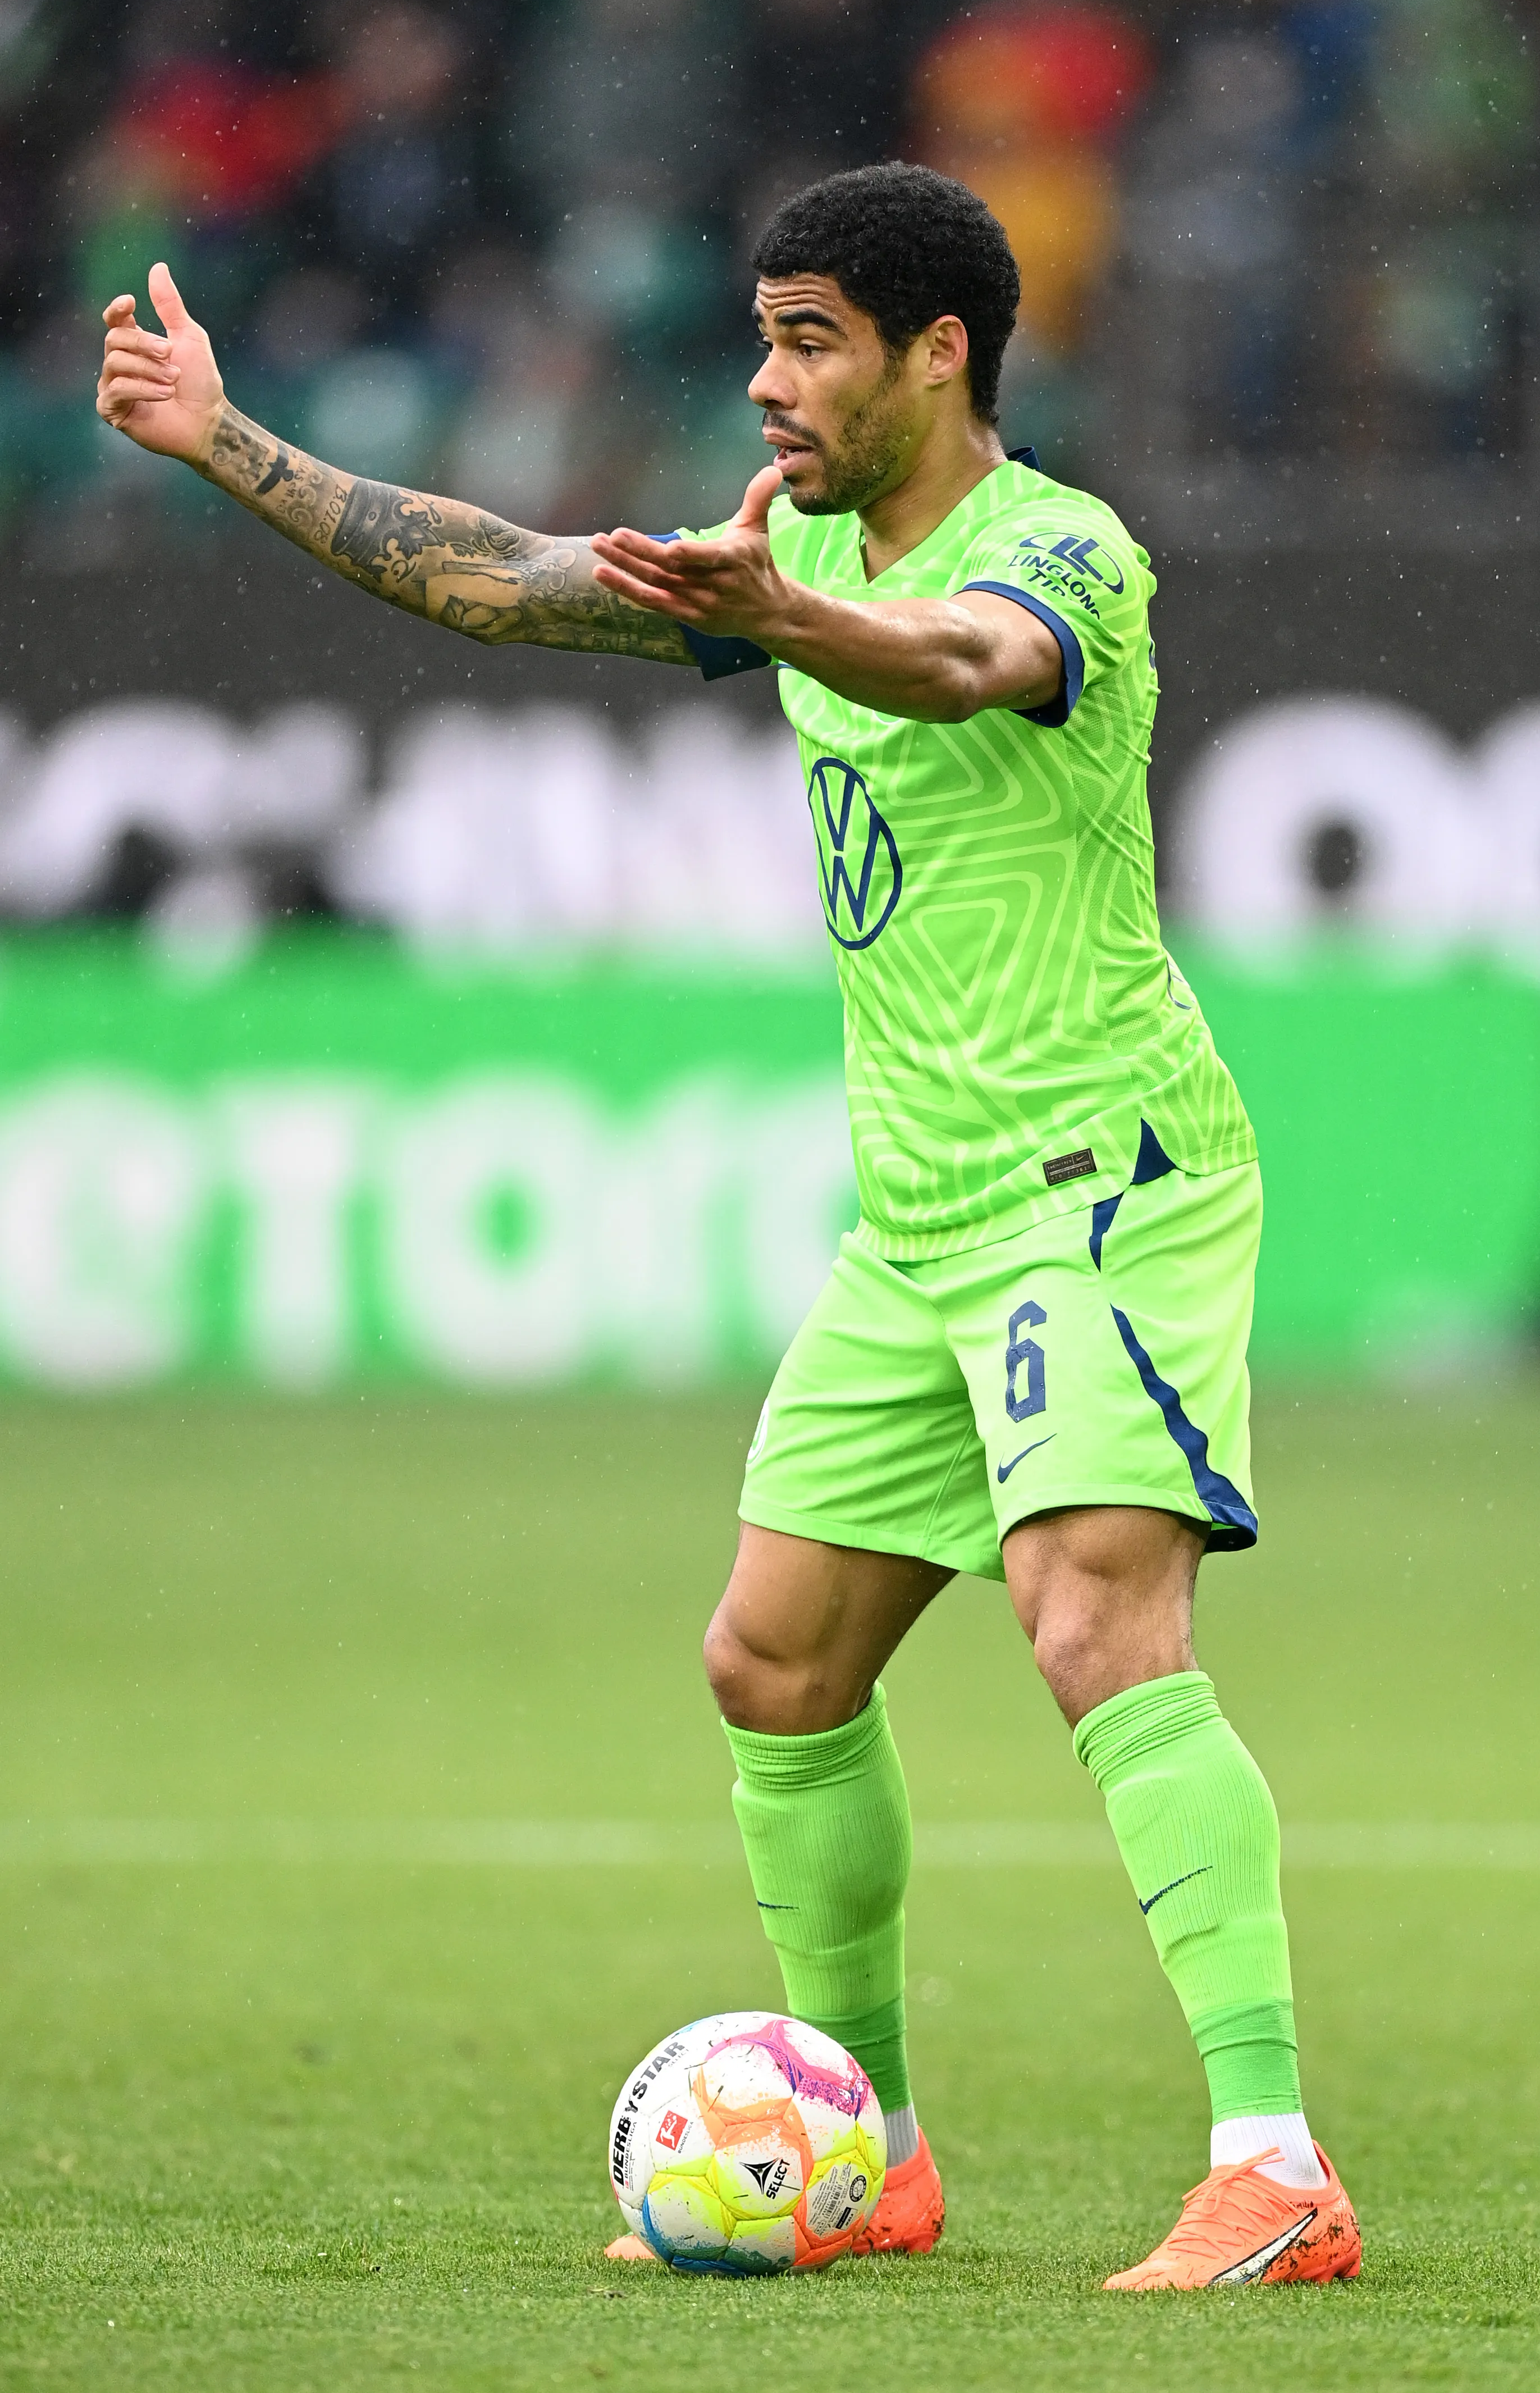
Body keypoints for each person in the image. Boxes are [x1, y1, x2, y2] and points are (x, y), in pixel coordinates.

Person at [95, 161, 1359, 2292]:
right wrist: (227, 441)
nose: (764, 381)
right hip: (925, 1212)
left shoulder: (1059, 549)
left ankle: (1277, 2162)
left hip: (1101, 1181)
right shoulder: (789, 552)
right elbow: (497, 575)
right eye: (760, 335)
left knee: (1091, 1625)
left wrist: (787, 621)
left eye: (809, 339)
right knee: (773, 1664)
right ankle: (864, 2149)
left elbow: (965, 665)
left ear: (936, 351)